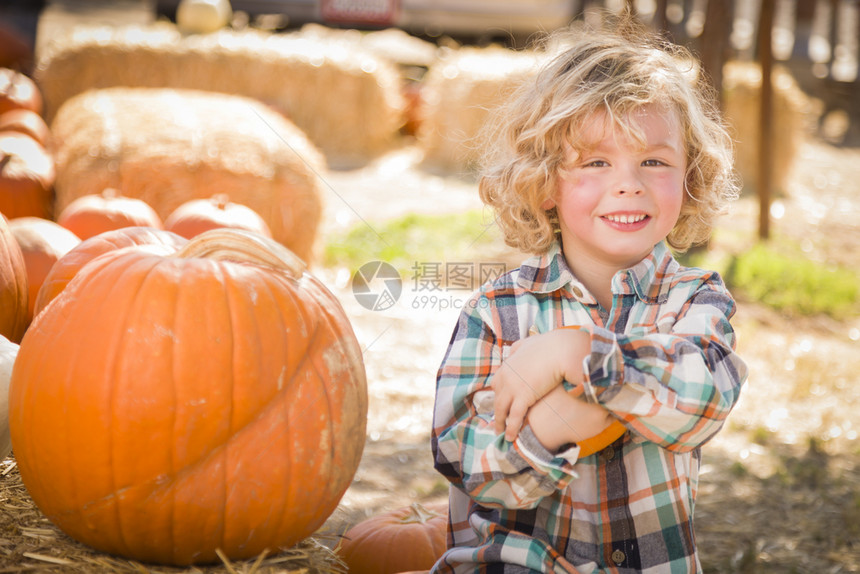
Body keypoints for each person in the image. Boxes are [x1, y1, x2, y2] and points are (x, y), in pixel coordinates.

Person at [430, 14, 749, 574]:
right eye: (596, 162)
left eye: (654, 160)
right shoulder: (498, 311)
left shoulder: (694, 300)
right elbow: (463, 460)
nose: (628, 183)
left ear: (689, 175)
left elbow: (704, 400)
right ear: (545, 183)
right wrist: (562, 422)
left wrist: (578, 354)